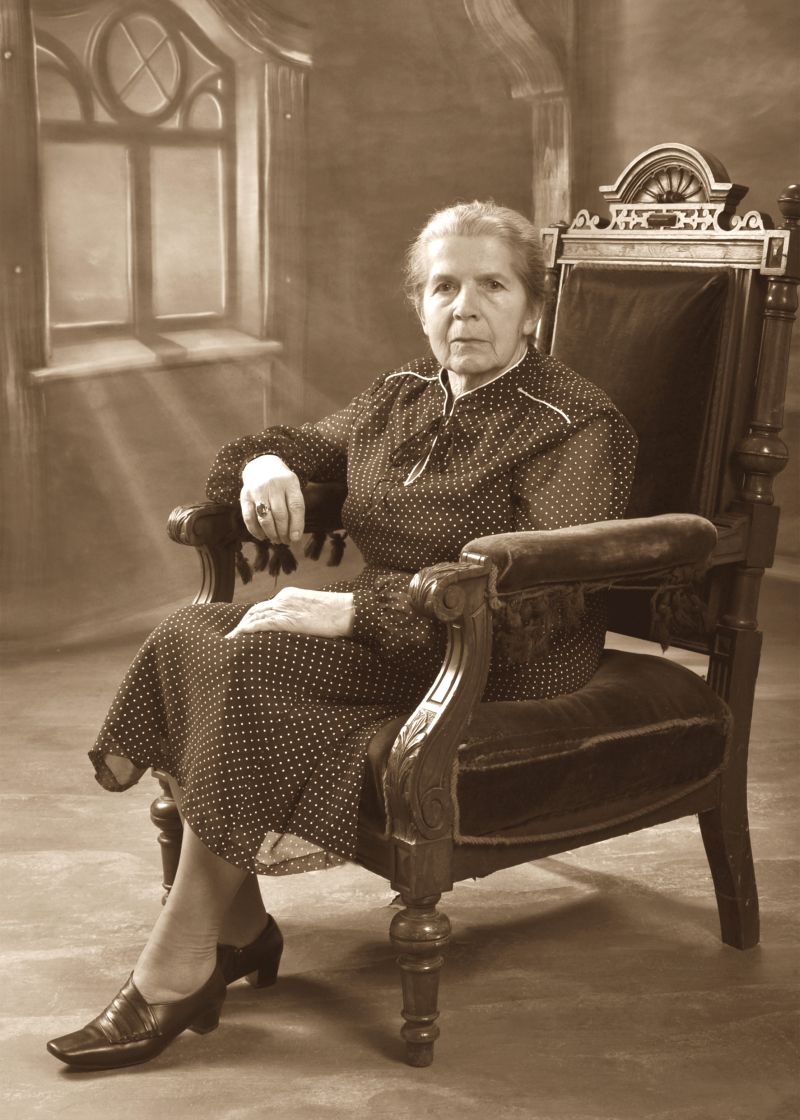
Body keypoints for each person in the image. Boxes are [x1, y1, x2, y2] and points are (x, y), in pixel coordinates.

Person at [47, 201, 637, 1069]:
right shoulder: (403, 393)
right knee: (192, 633)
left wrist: (357, 612)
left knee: (252, 662)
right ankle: (239, 926)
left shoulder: (576, 421)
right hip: (395, 628)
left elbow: (538, 601)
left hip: (504, 654)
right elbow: (294, 441)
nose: (465, 309)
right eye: (443, 287)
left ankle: (177, 967)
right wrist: (265, 464)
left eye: (492, 286)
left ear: (532, 308)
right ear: (418, 303)